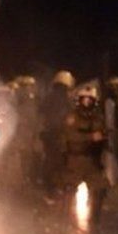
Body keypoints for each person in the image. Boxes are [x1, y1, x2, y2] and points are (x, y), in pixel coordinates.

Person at [61, 84, 110, 228]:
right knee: (69, 191)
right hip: (75, 159)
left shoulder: (98, 117)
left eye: (90, 99)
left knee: (100, 189)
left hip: (92, 161)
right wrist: (90, 137)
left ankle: (94, 221)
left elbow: (102, 134)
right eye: (84, 99)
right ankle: (66, 222)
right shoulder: (72, 116)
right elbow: (70, 136)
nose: (87, 101)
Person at [39, 70, 75, 199]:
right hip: (60, 134)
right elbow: (71, 117)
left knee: (49, 160)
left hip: (48, 134)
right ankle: (61, 187)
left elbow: (41, 112)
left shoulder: (49, 96)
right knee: (62, 161)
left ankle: (49, 187)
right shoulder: (67, 99)